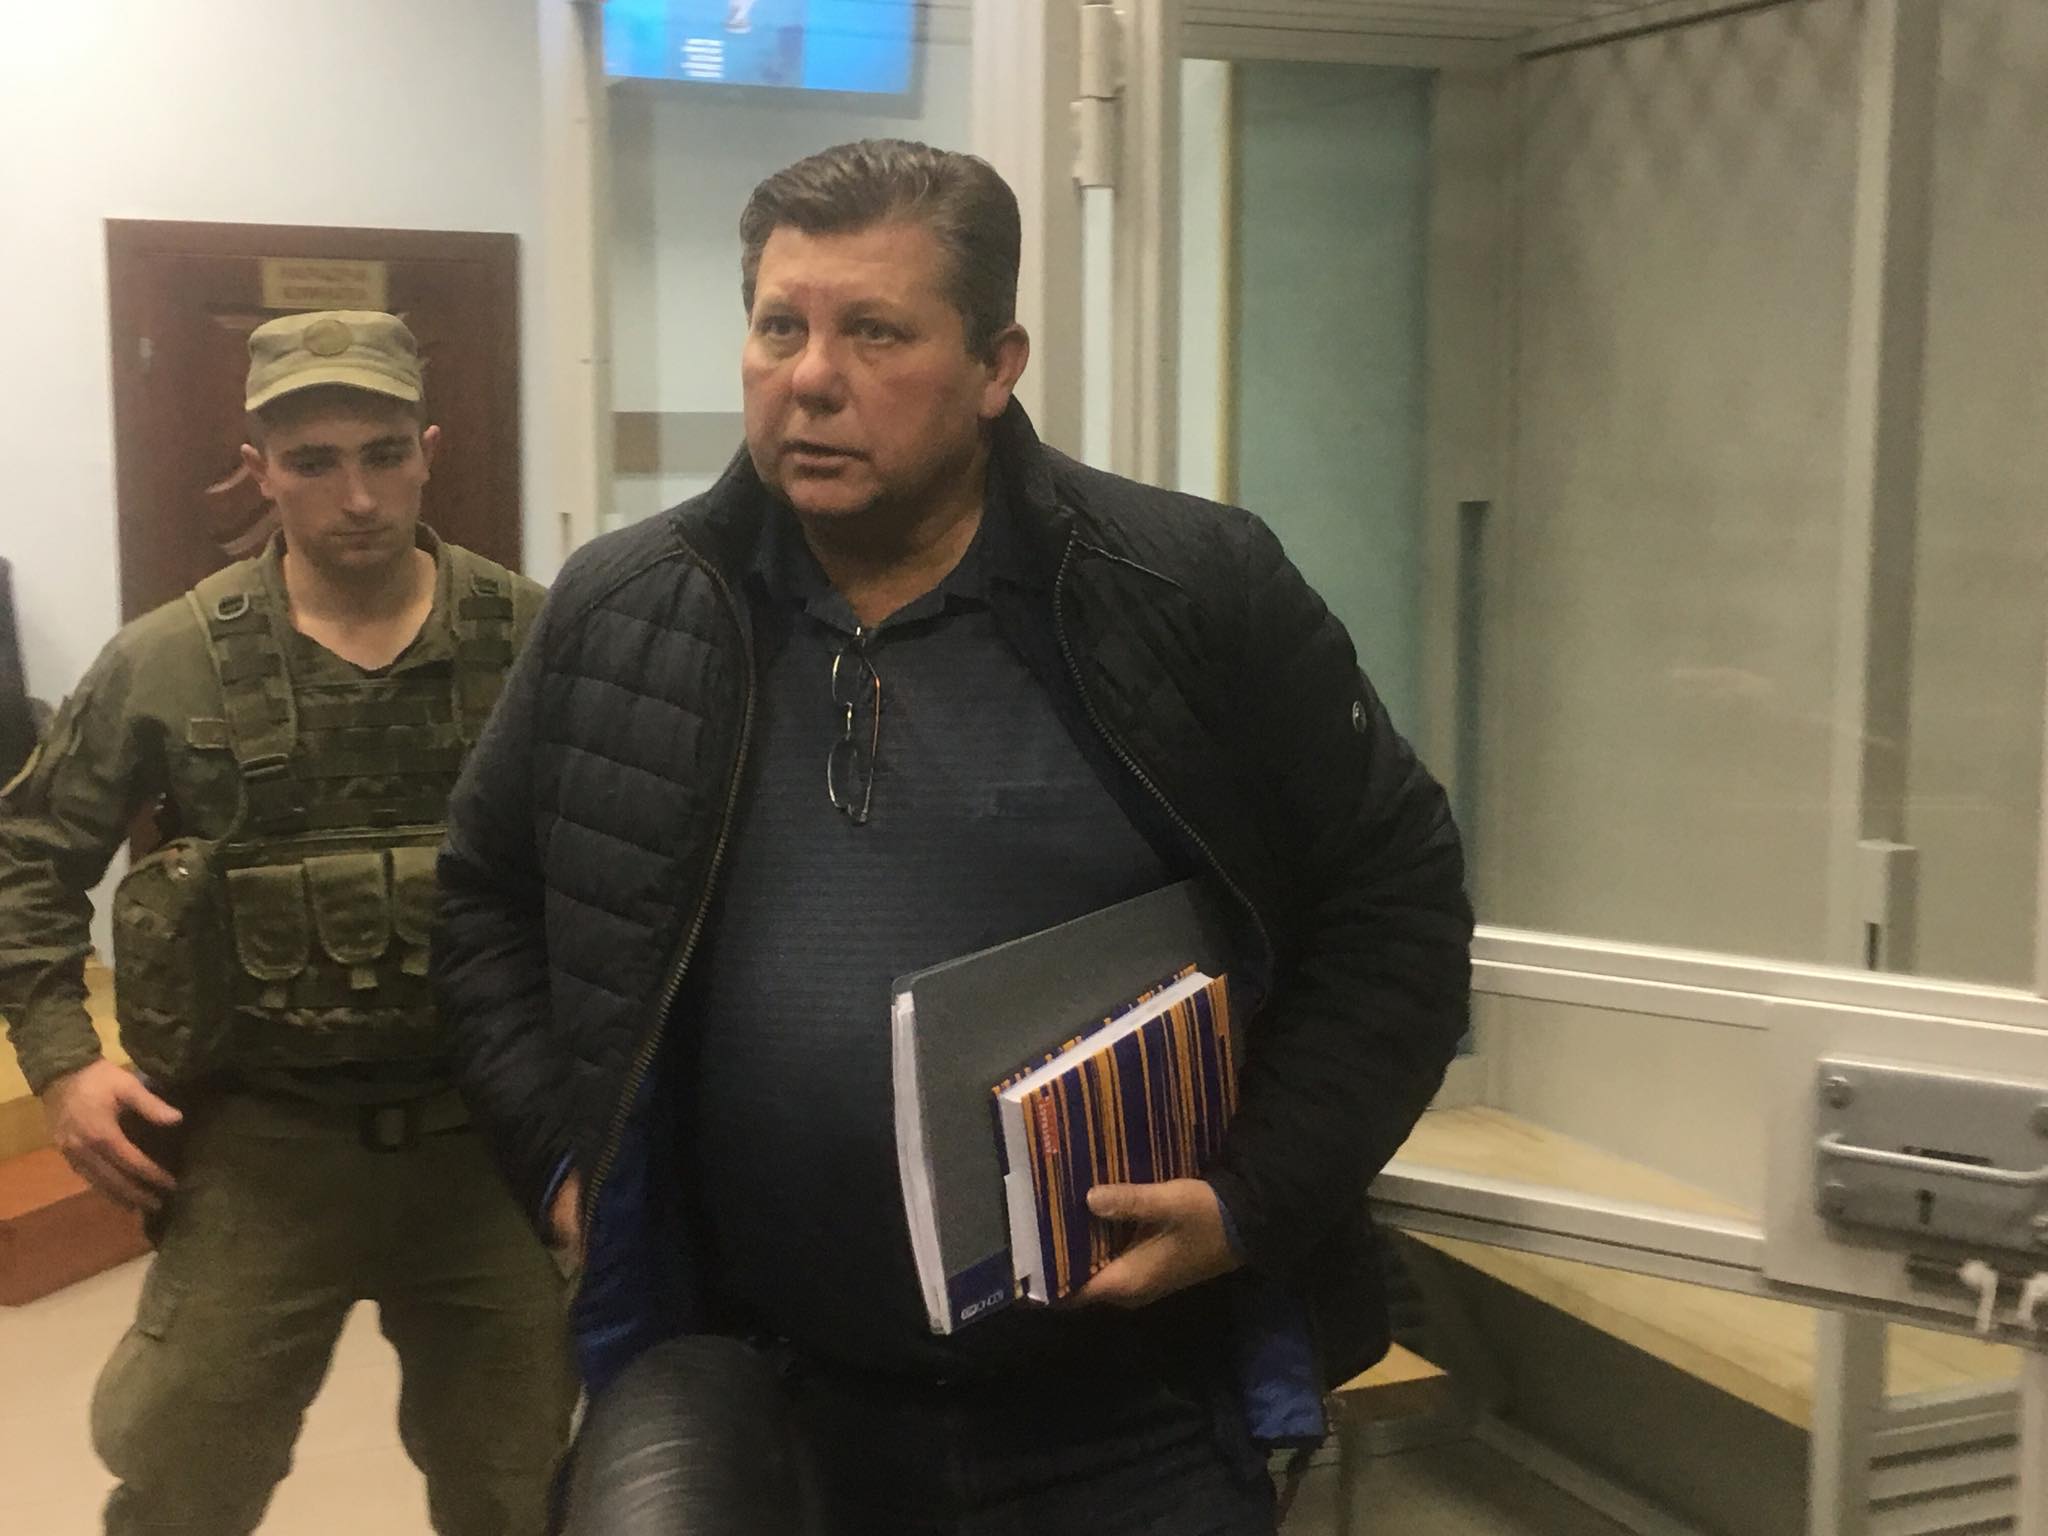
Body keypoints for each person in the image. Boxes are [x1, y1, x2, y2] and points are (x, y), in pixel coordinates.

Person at [435, 140, 1471, 1535]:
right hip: (764, 1397)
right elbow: (486, 901)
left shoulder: (1185, 591)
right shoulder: (625, 609)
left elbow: (1394, 909)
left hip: (1127, 1415)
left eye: (875, 332)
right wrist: (569, 1176)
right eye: (779, 327)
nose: (812, 377)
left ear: (995, 366)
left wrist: (1253, 1197)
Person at [0, 311, 579, 1536]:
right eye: (314, 461)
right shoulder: (168, 660)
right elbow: (24, 860)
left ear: (428, 454)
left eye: (382, 454)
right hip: (262, 1151)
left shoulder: (535, 640)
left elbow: (629, 875)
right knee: (180, 1479)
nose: (355, 496)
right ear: (258, 469)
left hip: (485, 1149)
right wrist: (62, 1065)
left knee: (520, 1487)